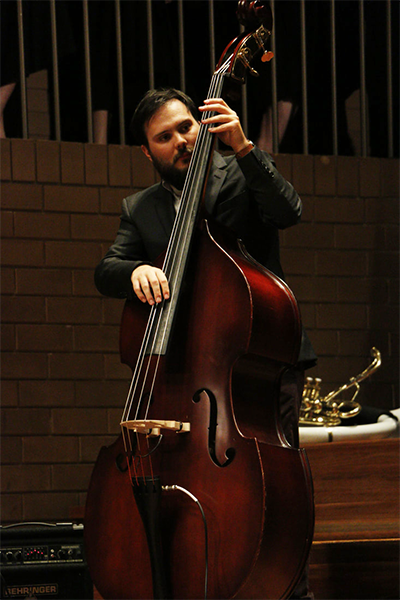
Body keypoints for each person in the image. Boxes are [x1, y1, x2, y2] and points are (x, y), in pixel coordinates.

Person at [94, 87, 316, 600]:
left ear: (202, 125)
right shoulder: (140, 208)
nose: (181, 141)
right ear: (147, 152)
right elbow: (106, 270)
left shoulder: (242, 172)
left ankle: (289, 589)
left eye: (186, 127)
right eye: (164, 137)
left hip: (256, 364)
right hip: (184, 375)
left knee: (272, 492)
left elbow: (288, 211)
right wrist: (136, 271)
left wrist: (243, 146)